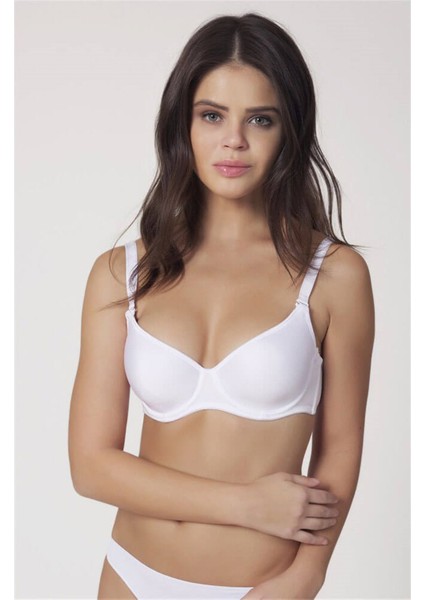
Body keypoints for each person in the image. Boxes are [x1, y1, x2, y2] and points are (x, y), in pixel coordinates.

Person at [68, 12, 375, 600]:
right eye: (212, 115)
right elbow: (91, 465)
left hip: (261, 587)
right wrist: (246, 504)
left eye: (260, 119)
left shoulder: (334, 276)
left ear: (290, 131)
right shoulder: (119, 273)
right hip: (131, 575)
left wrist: (306, 576)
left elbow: (340, 448)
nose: (234, 140)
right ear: (182, 124)